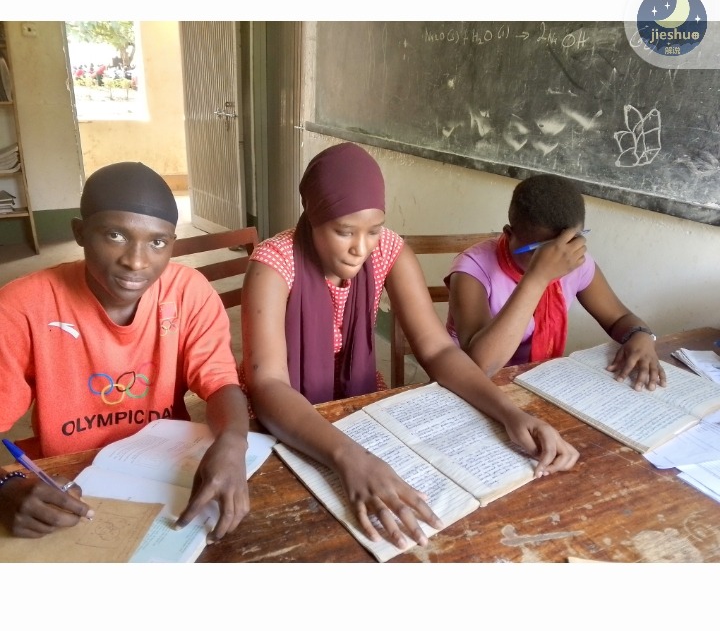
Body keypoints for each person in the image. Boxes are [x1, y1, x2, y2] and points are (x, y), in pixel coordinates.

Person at [241, 143, 579, 552]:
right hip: (284, 421)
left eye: (374, 228)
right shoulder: (274, 264)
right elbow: (269, 385)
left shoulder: (388, 251)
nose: (360, 248)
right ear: (312, 217)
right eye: (344, 231)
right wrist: (350, 457)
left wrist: (509, 412)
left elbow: (437, 350)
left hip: (357, 405)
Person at [0, 162, 250, 541]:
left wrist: (233, 440)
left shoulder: (188, 292)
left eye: (158, 242)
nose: (136, 261)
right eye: (115, 235)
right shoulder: (22, 306)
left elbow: (219, 383)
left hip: (164, 471)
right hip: (65, 481)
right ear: (80, 232)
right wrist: (7, 487)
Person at [446, 173, 665, 389]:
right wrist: (537, 279)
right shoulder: (472, 270)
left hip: (538, 382)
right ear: (509, 234)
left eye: (570, 242)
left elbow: (620, 318)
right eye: (539, 251)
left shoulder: (573, 261)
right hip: (470, 387)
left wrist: (641, 335)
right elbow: (480, 366)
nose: (557, 258)